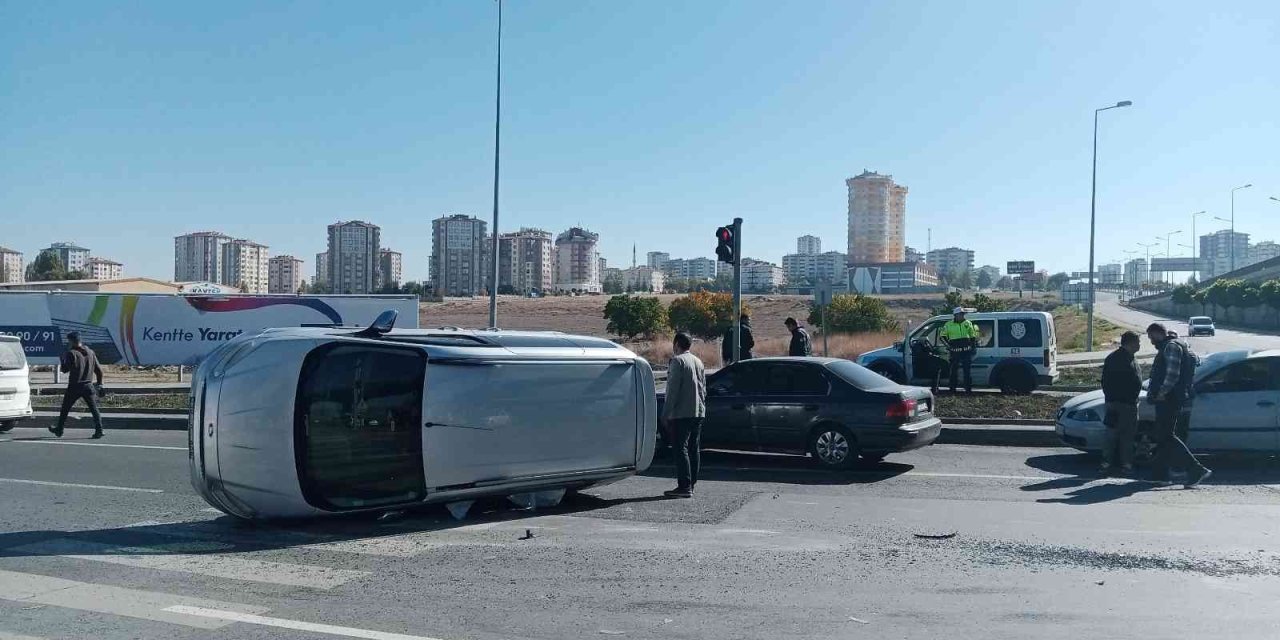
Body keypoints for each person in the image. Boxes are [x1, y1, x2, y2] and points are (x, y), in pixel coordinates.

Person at [1145, 322, 1211, 488]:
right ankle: (1161, 475)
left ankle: (1195, 469)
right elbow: (1195, 362)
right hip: (1174, 398)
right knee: (1163, 436)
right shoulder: (1181, 345)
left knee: (1167, 435)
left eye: (1151, 337)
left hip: (1168, 398)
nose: (1151, 341)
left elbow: (1172, 375)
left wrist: (1161, 393)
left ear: (1158, 333)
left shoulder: (1171, 347)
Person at [662, 332, 706, 498]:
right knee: (694, 448)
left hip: (682, 412)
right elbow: (703, 389)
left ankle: (684, 486)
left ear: (676, 344)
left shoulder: (677, 361)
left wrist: (666, 413)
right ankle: (691, 484)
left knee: (681, 449)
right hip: (698, 411)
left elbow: (672, 390)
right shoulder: (698, 361)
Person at [1099, 331, 1143, 477]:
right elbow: (1109, 382)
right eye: (1138, 342)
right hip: (1121, 404)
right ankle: (1116, 464)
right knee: (1119, 436)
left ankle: (1116, 464)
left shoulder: (1124, 357)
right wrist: (1113, 400)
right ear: (1130, 343)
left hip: (1122, 403)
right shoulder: (1119, 359)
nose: (1139, 345)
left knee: (1121, 436)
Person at [52, 332, 105, 439]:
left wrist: (62, 359)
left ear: (71, 341)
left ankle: (59, 429)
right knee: (94, 409)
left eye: (69, 341)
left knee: (65, 409)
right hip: (88, 385)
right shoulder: (90, 352)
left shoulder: (72, 353)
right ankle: (99, 430)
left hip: (75, 386)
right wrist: (100, 384)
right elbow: (99, 371)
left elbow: (65, 369)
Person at [939, 307, 980, 393]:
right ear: (956, 315)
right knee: (953, 371)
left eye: (963, 314)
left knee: (967, 372)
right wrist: (948, 346)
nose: (963, 316)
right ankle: (952, 390)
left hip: (966, 352)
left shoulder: (968, 323)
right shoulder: (948, 324)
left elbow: (972, 336)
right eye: (961, 314)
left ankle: (968, 390)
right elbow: (942, 336)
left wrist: (973, 347)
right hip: (955, 352)